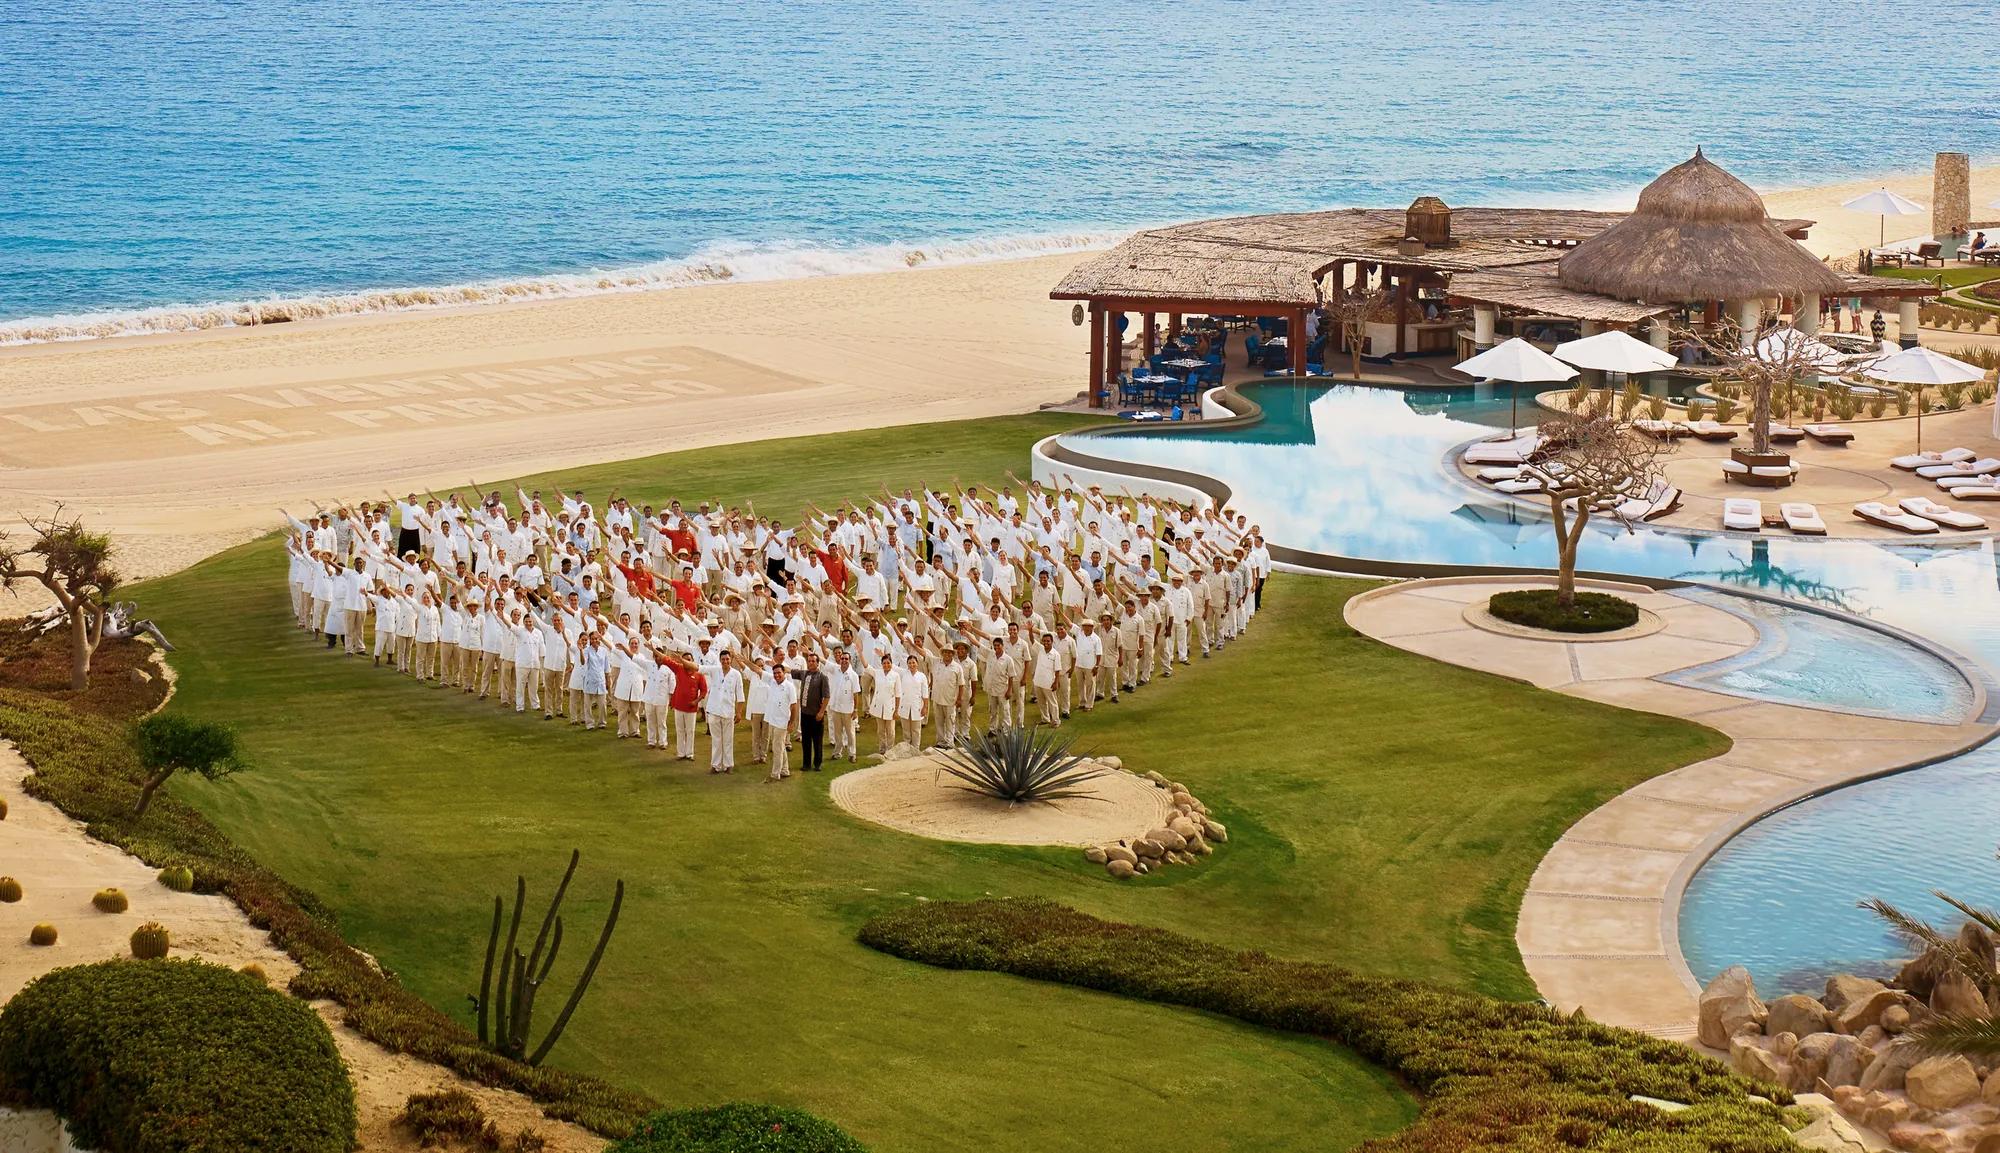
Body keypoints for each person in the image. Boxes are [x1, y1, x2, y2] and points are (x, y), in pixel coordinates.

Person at [705, 651, 744, 773]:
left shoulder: (736, 674)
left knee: (728, 739)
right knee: (716, 740)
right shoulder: (714, 670)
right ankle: (716, 765)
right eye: (723, 659)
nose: (725, 662)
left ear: (731, 659)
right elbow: (699, 668)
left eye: (727, 659)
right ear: (720, 660)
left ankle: (728, 765)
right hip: (714, 710)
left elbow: (740, 696)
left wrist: (738, 713)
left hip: (728, 712)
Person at [795, 650, 830, 772]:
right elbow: (789, 671)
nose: (810, 663)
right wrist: (776, 663)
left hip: (816, 715)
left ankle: (817, 763)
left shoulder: (823, 677)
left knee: (817, 740)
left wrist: (821, 712)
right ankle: (806, 764)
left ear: (817, 663)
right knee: (806, 740)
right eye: (809, 661)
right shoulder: (804, 674)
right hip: (804, 714)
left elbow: (826, 696)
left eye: (813, 661)